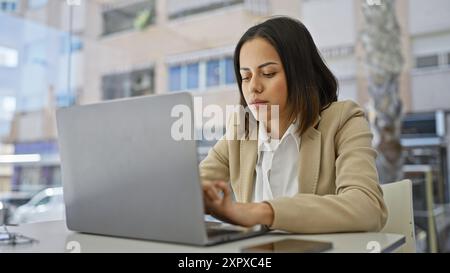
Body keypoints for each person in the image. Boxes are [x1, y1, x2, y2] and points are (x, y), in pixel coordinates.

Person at [200, 16, 387, 233]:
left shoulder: (343, 120)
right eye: (245, 76)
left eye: (268, 73)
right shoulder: (242, 129)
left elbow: (367, 207)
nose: (254, 87)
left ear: (300, 74)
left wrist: (261, 212)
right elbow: (193, 186)